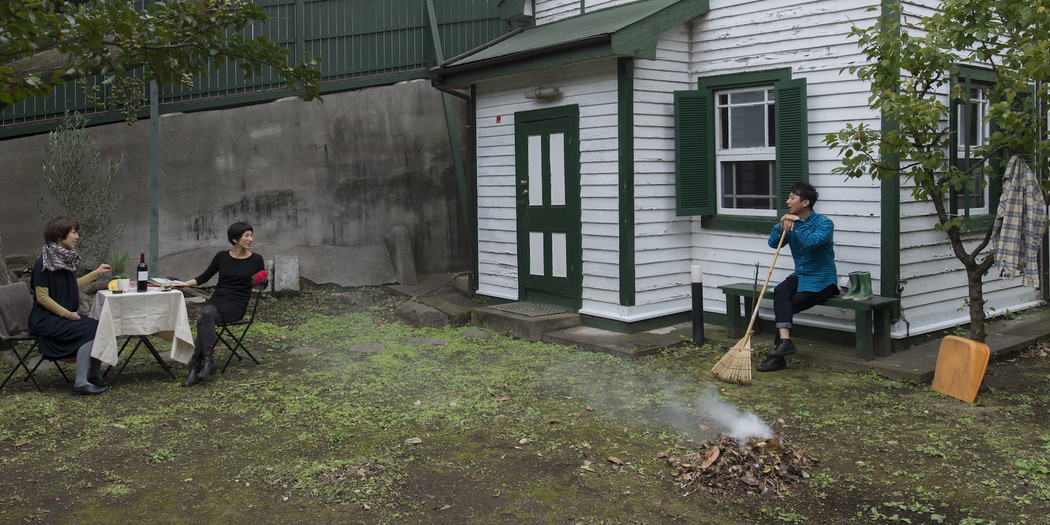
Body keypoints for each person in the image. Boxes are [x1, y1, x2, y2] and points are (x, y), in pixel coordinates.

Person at [756, 182, 838, 373]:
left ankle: (777, 358)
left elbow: (810, 242)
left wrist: (796, 222)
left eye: (792, 197)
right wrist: (780, 226)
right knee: (780, 292)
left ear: (805, 202)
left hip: (822, 280)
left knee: (786, 306)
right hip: (800, 275)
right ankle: (785, 342)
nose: (788, 201)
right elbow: (773, 243)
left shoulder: (825, 224)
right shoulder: (790, 222)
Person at [28, 217, 113, 395]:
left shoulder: (65, 260)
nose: (77, 236)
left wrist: (95, 273)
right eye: (73, 232)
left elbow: (70, 285)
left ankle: (94, 375)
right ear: (60, 235)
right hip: (46, 320)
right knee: (90, 330)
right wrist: (67, 314)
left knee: (100, 325)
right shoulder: (43, 264)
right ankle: (81, 383)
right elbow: (42, 297)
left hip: (61, 316)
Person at [180, 222, 265, 387]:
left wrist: (263, 280)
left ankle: (196, 368)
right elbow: (205, 276)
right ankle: (206, 362)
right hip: (218, 299)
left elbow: (261, 286)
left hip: (237, 304)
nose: (250, 239)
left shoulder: (256, 259)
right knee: (206, 314)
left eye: (251, 235)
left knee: (203, 318)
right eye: (246, 235)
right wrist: (182, 285)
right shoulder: (222, 256)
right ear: (235, 239)